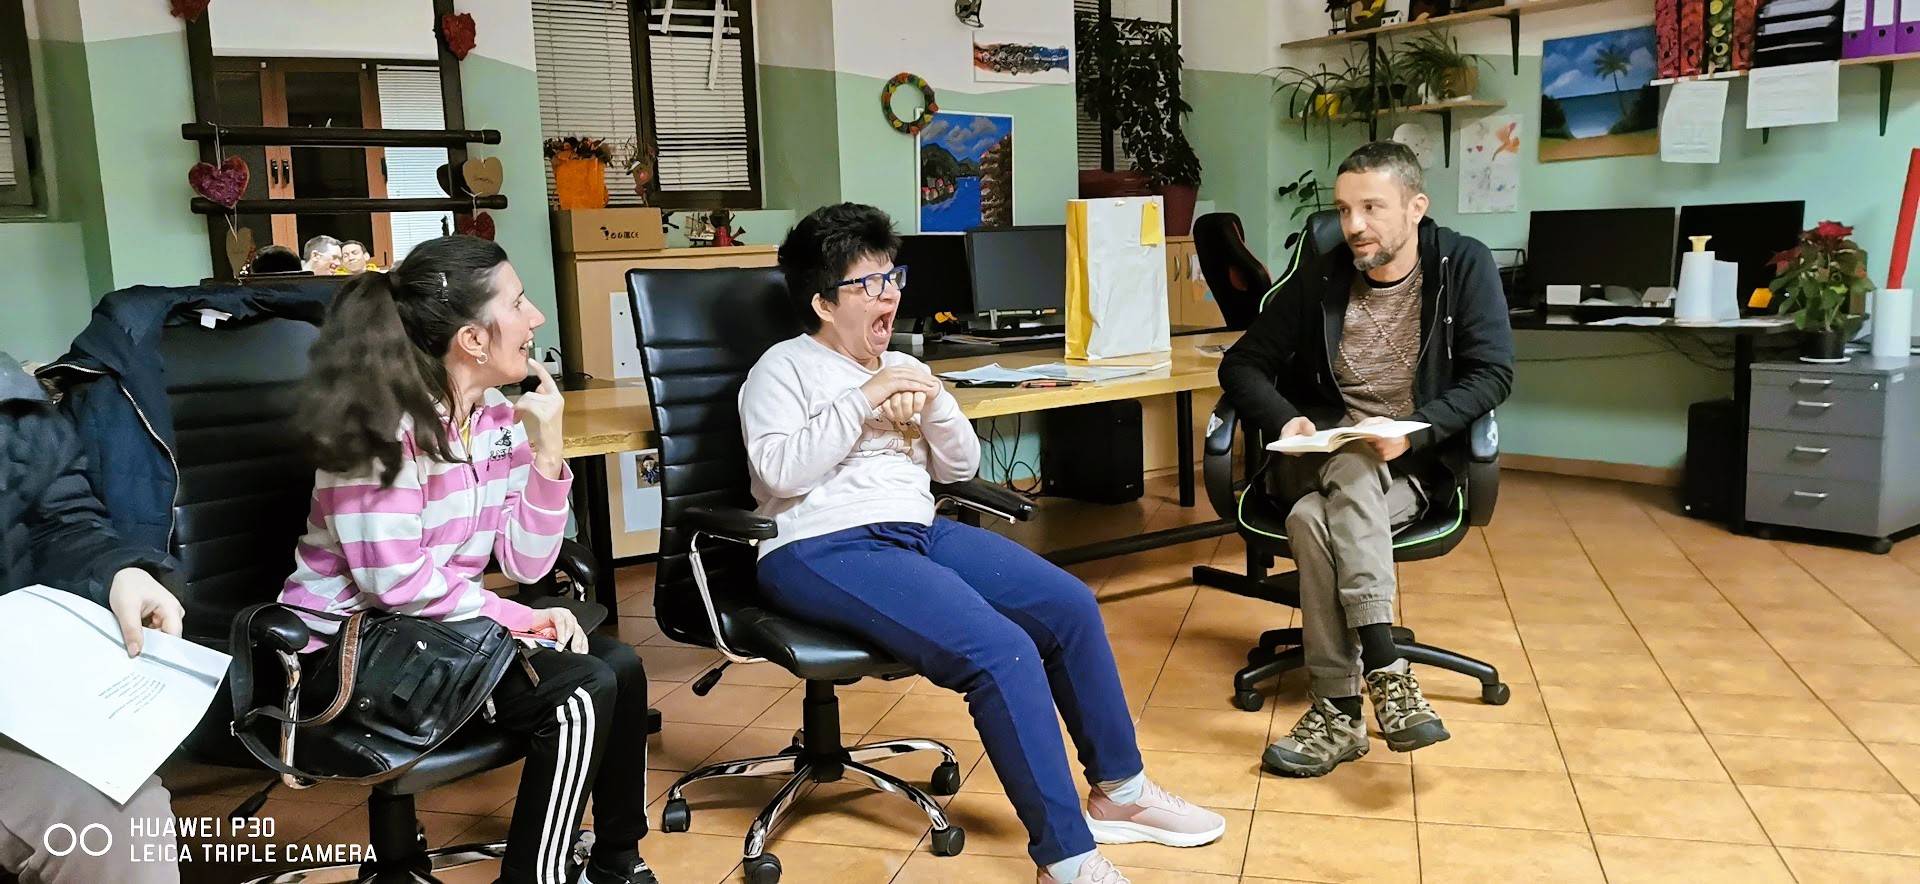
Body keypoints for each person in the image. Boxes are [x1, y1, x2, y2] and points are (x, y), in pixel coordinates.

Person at [741, 204, 1225, 884]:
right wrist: (864, 399)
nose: (889, 295)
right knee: (1001, 651)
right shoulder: (782, 368)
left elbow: (959, 466)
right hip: (820, 545)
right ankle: (1065, 857)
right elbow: (777, 474)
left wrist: (934, 399)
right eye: (868, 284)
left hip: (915, 528)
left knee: (1070, 605)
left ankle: (1122, 791)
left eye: (892, 277)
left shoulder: (903, 363)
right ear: (823, 302)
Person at [279, 236, 658, 884]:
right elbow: (394, 582)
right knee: (577, 691)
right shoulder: (378, 428)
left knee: (618, 664)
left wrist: (546, 451)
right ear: (473, 339)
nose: (536, 317)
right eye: (518, 303)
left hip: (435, 634)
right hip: (346, 655)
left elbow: (527, 562)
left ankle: (617, 860)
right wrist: (517, 619)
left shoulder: (496, 419)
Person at [1219, 142, 1513, 778]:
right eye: (1344, 209)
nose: (1353, 225)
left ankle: (1340, 710)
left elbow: (1493, 374)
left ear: (1415, 207)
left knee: (1310, 522)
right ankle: (1385, 663)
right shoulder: (1321, 277)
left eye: (1372, 207)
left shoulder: (1462, 264)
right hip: (1317, 455)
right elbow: (1241, 364)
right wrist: (1285, 418)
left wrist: (1416, 431)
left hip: (1410, 463)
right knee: (1350, 458)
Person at [0, 353, 185, 884]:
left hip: (15, 698)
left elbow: (59, 524)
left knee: (121, 820)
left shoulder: (14, 408)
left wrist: (117, 572)